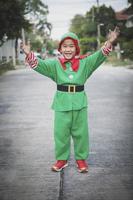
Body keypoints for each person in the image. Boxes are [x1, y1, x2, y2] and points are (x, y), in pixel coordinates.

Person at [21, 27, 120, 173]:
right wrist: (29, 54)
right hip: (61, 104)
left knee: (81, 133)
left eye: (71, 46)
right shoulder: (54, 64)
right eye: (65, 46)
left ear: (76, 48)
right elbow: (40, 65)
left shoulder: (85, 63)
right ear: (60, 49)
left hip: (80, 103)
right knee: (61, 133)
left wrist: (109, 42)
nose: (68, 49)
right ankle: (62, 160)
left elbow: (99, 56)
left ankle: (81, 160)